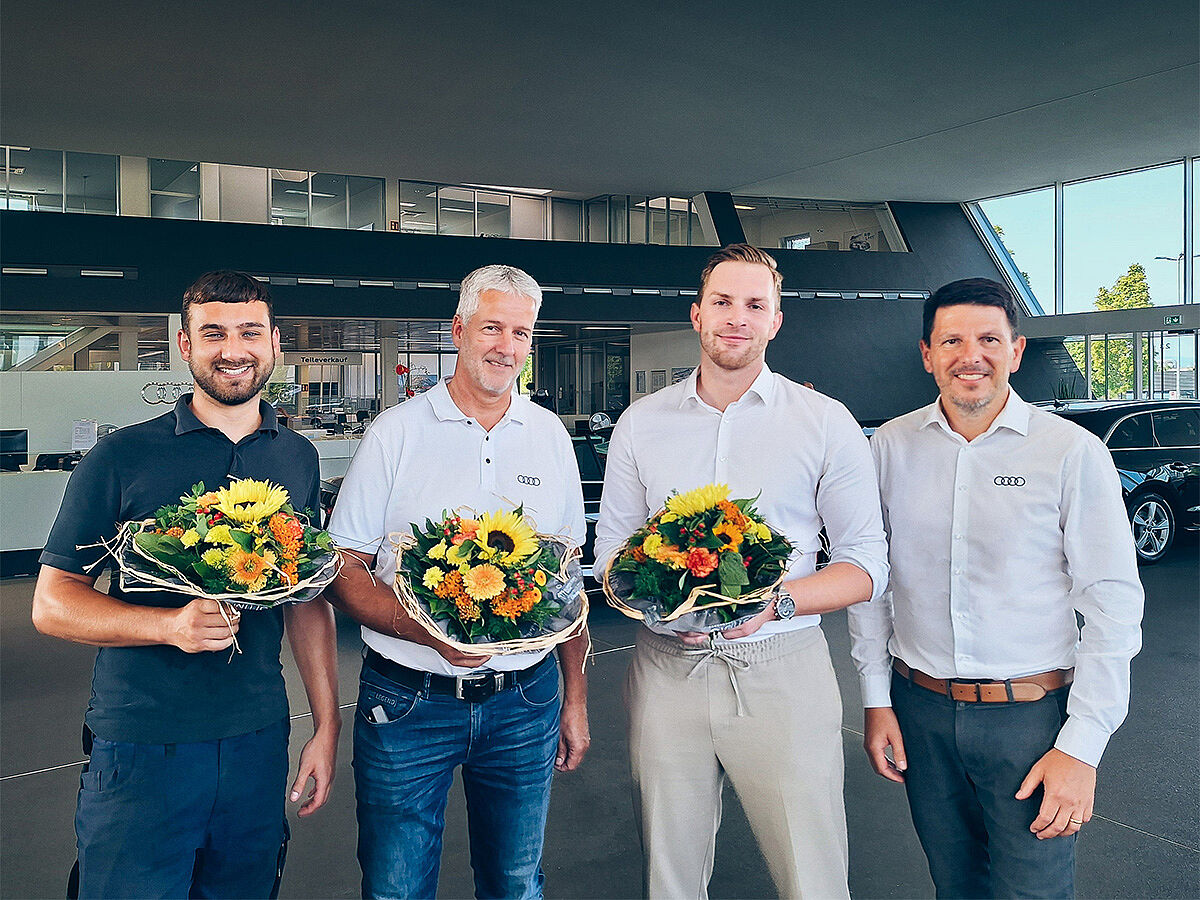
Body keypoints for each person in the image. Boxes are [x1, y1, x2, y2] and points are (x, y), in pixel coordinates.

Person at [593, 243, 889, 900]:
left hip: (783, 669)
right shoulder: (642, 425)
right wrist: (659, 598)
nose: (737, 318)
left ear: (776, 320)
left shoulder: (824, 422)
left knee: (812, 879)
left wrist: (773, 603)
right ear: (698, 315)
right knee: (670, 879)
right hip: (664, 671)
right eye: (723, 303)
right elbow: (612, 555)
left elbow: (866, 566)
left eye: (755, 305)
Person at [32, 271, 340, 899]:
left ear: (275, 343)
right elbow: (51, 602)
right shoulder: (122, 457)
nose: (234, 349)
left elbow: (307, 603)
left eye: (250, 332)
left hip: (257, 738)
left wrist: (327, 726)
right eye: (214, 333)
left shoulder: (296, 457)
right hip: (144, 743)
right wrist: (166, 626)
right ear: (185, 344)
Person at [848, 277, 1144, 899]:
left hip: (1032, 720)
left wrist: (1082, 747)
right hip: (920, 710)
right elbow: (873, 583)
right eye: (951, 340)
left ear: (1016, 350)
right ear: (927, 354)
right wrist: (877, 699)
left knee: (1032, 893)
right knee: (955, 888)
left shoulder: (1070, 452)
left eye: (988, 338)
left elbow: (1113, 605)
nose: (970, 355)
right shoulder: (888, 448)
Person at [326, 264, 590, 900]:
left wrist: (574, 695)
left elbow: (567, 582)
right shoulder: (397, 433)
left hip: (526, 701)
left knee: (516, 883)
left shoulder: (548, 435)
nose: (506, 345)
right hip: (408, 701)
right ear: (459, 330)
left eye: (521, 333)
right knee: (395, 886)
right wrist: (420, 629)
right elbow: (343, 566)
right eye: (492, 327)